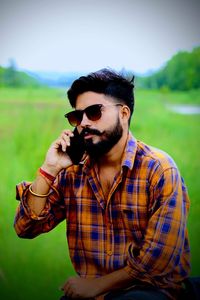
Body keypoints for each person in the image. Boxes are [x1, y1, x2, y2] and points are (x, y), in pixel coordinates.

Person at [14, 68, 190, 300]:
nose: (84, 123)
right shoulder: (72, 171)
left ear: (124, 113)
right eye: (77, 116)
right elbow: (25, 228)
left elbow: (157, 261)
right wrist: (49, 170)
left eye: (94, 112)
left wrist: (97, 285)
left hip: (152, 291)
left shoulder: (159, 169)